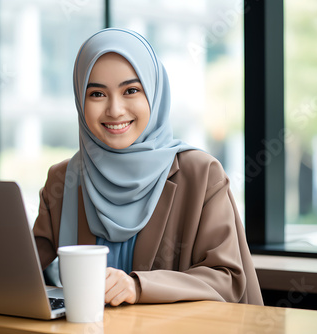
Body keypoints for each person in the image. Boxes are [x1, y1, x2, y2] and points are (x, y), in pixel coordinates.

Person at [33, 28, 263, 306]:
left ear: (154, 93)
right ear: (80, 101)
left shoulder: (201, 174)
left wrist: (138, 287)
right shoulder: (65, 178)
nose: (115, 110)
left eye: (131, 90)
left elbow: (228, 279)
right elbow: (23, 265)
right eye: (96, 94)